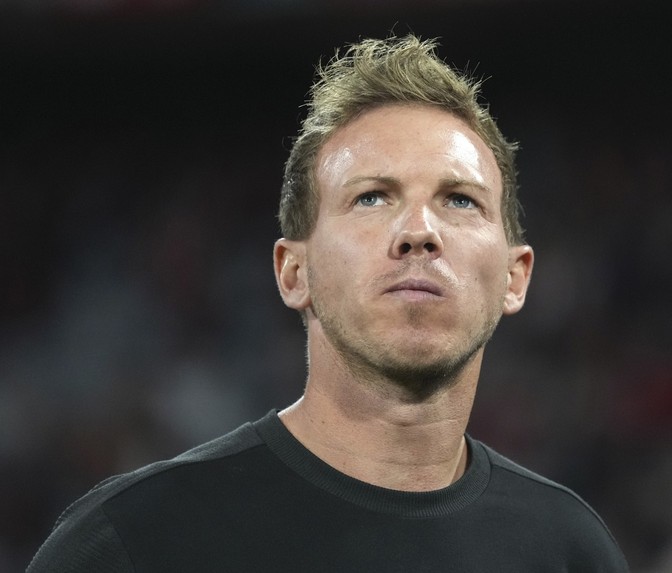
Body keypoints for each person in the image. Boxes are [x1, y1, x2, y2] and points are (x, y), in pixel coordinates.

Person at [28, 35, 629, 572]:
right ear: (295, 272)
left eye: (460, 200)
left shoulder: (568, 550)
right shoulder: (132, 543)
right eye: (371, 197)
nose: (419, 230)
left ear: (514, 277)